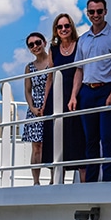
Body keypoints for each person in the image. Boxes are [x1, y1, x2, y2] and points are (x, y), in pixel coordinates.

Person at [68, 0, 111, 182]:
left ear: (105, 12)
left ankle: (109, 180)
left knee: (107, 138)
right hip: (87, 92)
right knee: (90, 139)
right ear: (87, 14)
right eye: (92, 12)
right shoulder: (83, 40)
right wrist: (73, 96)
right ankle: (92, 181)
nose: (96, 15)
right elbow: (79, 69)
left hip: (106, 89)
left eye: (99, 11)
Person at [42, 13, 86, 183]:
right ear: (55, 30)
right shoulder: (53, 49)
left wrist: (74, 95)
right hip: (56, 95)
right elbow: (50, 77)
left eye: (66, 26)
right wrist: (46, 101)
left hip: (74, 94)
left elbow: (79, 70)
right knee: (54, 136)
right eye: (60, 27)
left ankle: (83, 181)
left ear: (71, 27)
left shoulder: (79, 44)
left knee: (76, 135)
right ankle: (55, 180)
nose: (63, 29)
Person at [23, 32, 49, 185]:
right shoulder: (29, 67)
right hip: (35, 107)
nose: (35, 46)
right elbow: (27, 89)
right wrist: (32, 107)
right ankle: (36, 181)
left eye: (37, 42)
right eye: (31, 45)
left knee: (51, 143)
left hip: (50, 103)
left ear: (44, 42)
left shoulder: (52, 61)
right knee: (36, 146)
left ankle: (54, 179)